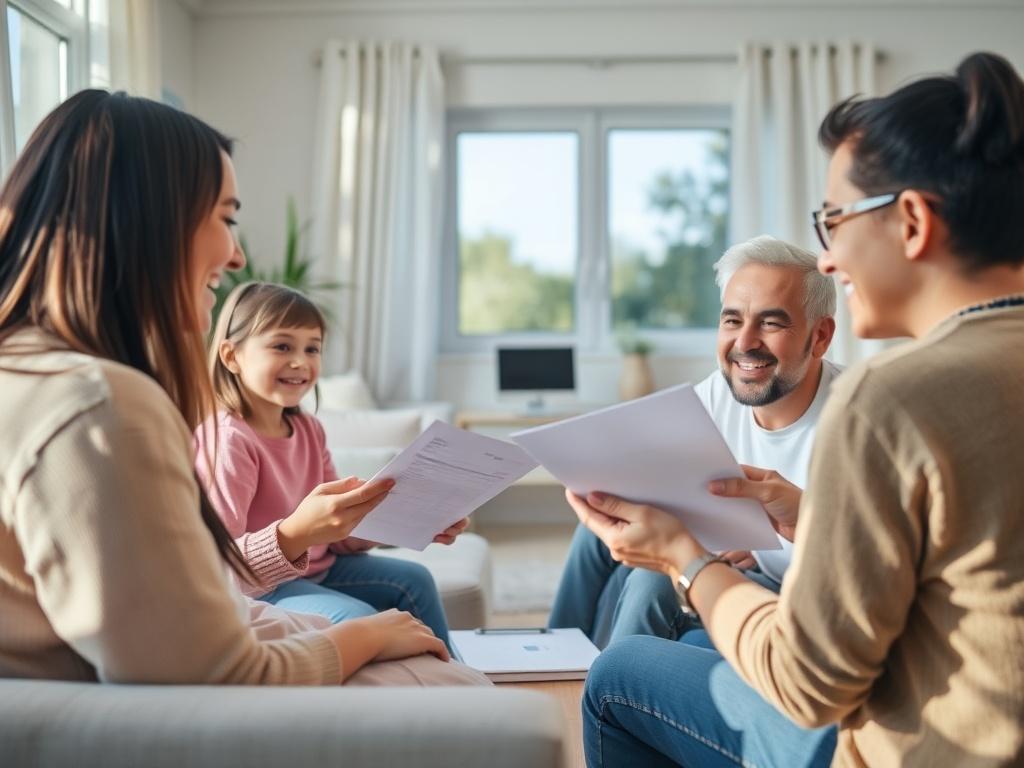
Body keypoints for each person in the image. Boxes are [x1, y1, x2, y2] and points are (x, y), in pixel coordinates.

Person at [571, 51, 1024, 767]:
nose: (831, 261)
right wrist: (809, 514)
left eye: (833, 221)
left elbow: (808, 682)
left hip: (921, 746)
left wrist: (686, 561)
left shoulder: (891, 397)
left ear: (910, 221)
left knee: (617, 676)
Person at [0, 89, 486, 687]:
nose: (236, 257)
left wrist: (399, 522)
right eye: (226, 218)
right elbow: (209, 657)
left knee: (413, 604)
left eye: (311, 349)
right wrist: (358, 636)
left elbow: (193, 611)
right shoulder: (99, 407)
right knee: (398, 640)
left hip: (272, 601)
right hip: (238, 645)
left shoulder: (41, 378)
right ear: (150, 220)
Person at [549, 235, 838, 649]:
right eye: (732, 320)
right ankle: (552, 654)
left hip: (799, 604)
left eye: (771, 323)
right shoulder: (716, 396)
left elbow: (863, 566)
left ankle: (611, 693)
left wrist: (758, 552)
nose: (744, 343)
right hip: (739, 563)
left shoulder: (859, 422)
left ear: (821, 336)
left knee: (652, 582)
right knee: (601, 522)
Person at [195, 281, 466, 648]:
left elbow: (337, 536)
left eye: (313, 348)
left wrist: (414, 522)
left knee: (415, 579)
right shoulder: (229, 440)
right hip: (257, 589)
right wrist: (295, 535)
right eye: (282, 346)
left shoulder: (308, 429)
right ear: (231, 356)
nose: (300, 361)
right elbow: (219, 566)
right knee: (360, 622)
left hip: (316, 572)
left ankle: (454, 688)